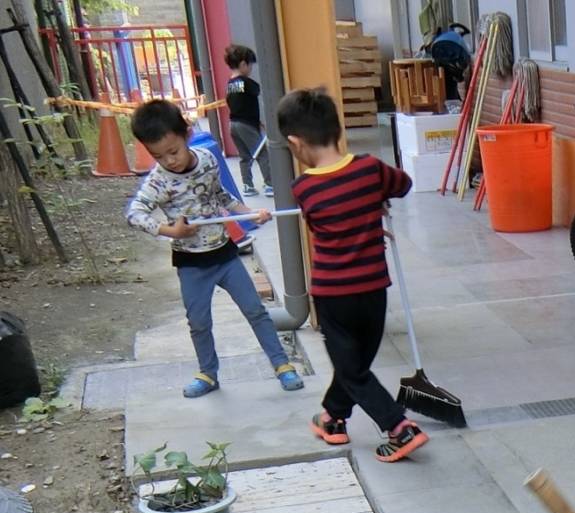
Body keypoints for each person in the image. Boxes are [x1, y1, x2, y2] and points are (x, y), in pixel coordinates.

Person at [276, 88, 428, 462]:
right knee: (355, 365)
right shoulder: (370, 169)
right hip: (374, 290)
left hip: (333, 296)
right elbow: (403, 185)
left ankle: (399, 427)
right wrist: (376, 201)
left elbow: (325, 224)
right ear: (338, 129)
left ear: (295, 143)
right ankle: (333, 418)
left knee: (353, 369)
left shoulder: (304, 189)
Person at [125, 99, 303, 399]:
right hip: (191, 264)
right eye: (158, 156)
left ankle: (281, 365)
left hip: (224, 254)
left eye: (173, 151)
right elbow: (134, 214)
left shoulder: (207, 159)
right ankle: (208, 373)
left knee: (256, 311)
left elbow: (222, 196)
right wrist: (172, 231)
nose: (169, 161)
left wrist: (249, 212)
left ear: (187, 134)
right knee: (199, 322)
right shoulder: (157, 181)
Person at [224, 43, 270, 196]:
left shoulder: (230, 84)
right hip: (247, 125)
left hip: (233, 124)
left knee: (245, 156)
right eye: (250, 65)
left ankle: (247, 185)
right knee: (262, 153)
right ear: (243, 64)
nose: (251, 69)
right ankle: (270, 183)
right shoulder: (247, 83)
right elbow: (256, 92)